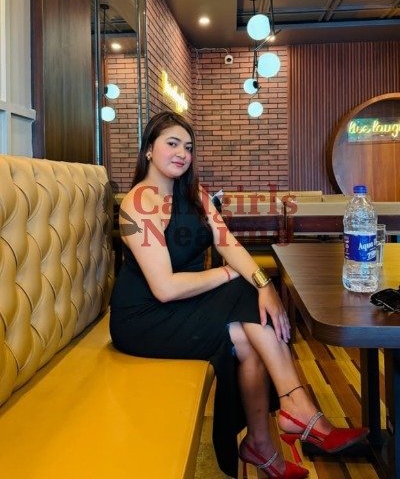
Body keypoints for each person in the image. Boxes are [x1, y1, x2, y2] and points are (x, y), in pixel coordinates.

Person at [109, 111, 368, 479]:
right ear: (149, 149)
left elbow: (228, 243)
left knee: (248, 334)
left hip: (185, 303)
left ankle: (263, 442)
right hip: (144, 318)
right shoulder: (138, 203)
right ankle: (297, 411)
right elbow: (164, 288)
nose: (182, 153)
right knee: (241, 294)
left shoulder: (195, 195)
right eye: (172, 143)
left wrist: (264, 284)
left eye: (188, 147)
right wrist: (233, 275)